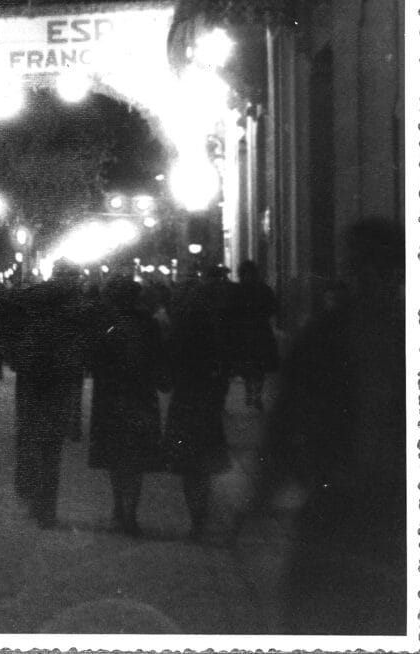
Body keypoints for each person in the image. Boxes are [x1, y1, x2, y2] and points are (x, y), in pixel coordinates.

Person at [239, 218, 406, 635]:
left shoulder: (335, 336)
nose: (369, 277)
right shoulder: (325, 338)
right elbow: (286, 422)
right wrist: (263, 496)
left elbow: (284, 423)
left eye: (380, 266)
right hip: (342, 502)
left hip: (385, 506)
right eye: (361, 266)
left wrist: (262, 499)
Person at [5, 261, 88, 528]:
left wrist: (15, 356)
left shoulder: (29, 298)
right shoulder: (75, 304)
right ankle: (46, 508)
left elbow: (7, 324)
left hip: (31, 375)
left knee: (29, 436)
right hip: (59, 377)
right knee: (51, 445)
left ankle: (29, 492)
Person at [88, 276, 168, 536]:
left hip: (110, 398)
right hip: (140, 397)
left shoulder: (105, 324)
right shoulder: (148, 324)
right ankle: (130, 511)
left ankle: (119, 508)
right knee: (135, 459)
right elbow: (158, 358)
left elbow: (93, 361)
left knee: (115, 457)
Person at [163, 274, 233, 541]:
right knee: (204, 465)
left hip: (184, 402)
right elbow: (224, 366)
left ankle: (196, 518)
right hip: (207, 402)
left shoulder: (178, 331)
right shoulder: (215, 330)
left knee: (189, 467)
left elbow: (168, 374)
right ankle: (201, 514)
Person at [229, 260, 278, 410]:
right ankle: (254, 392)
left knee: (251, 364)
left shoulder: (237, 290)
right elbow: (273, 307)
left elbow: (231, 310)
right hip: (259, 330)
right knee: (257, 364)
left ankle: (253, 392)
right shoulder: (263, 289)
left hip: (245, 332)